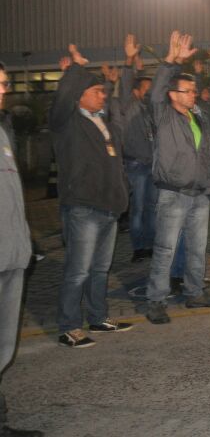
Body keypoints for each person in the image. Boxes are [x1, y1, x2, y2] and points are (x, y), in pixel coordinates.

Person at [50, 44, 133, 347]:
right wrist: (75, 69)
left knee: (100, 268)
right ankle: (69, 326)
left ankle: (98, 318)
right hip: (83, 207)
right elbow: (61, 100)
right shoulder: (67, 122)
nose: (103, 95)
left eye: (103, 90)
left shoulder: (104, 122)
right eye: (97, 90)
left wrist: (123, 193)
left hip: (109, 207)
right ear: (80, 96)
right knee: (78, 270)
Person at [144, 32, 210, 325]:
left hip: (199, 194)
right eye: (188, 91)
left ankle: (195, 292)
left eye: (194, 90)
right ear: (173, 94)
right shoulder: (162, 114)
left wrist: (209, 187)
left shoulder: (198, 117)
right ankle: (156, 300)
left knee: (196, 247)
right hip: (173, 193)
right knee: (165, 249)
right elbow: (154, 92)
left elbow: (206, 155)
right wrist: (170, 61)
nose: (194, 94)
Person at [0, 63, 44, 436]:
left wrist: (25, 241)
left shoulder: (3, 130)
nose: (3, 92)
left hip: (11, 254)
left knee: (3, 344)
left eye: (3, 85)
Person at [114, 34, 157, 262]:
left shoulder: (151, 110)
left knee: (152, 208)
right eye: (146, 90)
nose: (150, 93)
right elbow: (125, 83)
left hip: (153, 166)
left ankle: (151, 244)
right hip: (136, 166)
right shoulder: (128, 104)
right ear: (136, 91)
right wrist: (129, 61)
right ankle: (139, 247)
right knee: (138, 208)